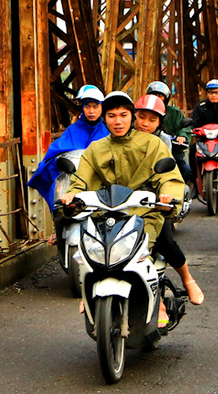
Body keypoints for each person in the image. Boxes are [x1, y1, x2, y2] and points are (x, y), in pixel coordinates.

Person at [60, 92, 189, 323]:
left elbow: (169, 176)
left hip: (145, 212)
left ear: (131, 117)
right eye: (111, 116)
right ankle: (89, 289)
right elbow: (81, 180)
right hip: (105, 212)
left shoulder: (152, 144)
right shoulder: (95, 149)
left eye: (123, 115)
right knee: (90, 247)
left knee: (146, 250)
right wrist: (72, 194)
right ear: (104, 118)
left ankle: (160, 299)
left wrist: (168, 195)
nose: (117, 121)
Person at [133, 95, 204, 305]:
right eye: (141, 117)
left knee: (165, 242)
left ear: (160, 122)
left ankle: (187, 279)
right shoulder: (119, 139)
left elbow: (168, 173)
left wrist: (165, 194)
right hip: (124, 201)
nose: (145, 123)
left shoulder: (162, 141)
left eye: (152, 120)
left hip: (151, 202)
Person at [28, 84, 107, 210]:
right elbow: (51, 158)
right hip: (72, 189)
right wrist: (59, 162)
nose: (91, 111)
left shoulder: (108, 131)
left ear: (102, 107)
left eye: (96, 106)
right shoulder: (73, 130)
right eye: (87, 106)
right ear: (82, 107)